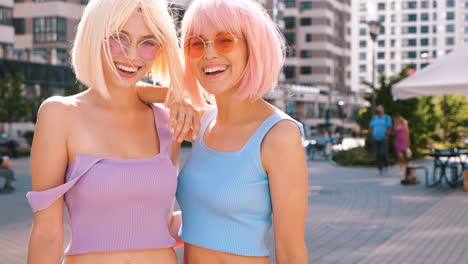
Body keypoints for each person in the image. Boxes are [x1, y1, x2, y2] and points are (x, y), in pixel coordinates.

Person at [26, 0, 198, 263]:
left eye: (148, 42)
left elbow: (159, 222)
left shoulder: (167, 121)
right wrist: (168, 94)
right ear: (96, 36)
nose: (132, 54)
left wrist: (222, 211)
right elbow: (47, 235)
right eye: (120, 38)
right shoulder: (60, 115)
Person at [177, 0, 308, 263]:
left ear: (253, 48)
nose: (209, 54)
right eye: (196, 44)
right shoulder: (201, 124)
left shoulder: (278, 135)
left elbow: (292, 253)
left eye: (225, 41)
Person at [369, 105, 393, 175]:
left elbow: (390, 127)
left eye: (380, 110)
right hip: (376, 138)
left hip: (383, 138)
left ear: (383, 110)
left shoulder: (386, 117)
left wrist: (387, 135)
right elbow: (371, 126)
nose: (379, 111)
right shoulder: (374, 118)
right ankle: (380, 168)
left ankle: (385, 166)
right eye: (378, 110)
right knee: (377, 153)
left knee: (383, 153)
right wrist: (371, 134)